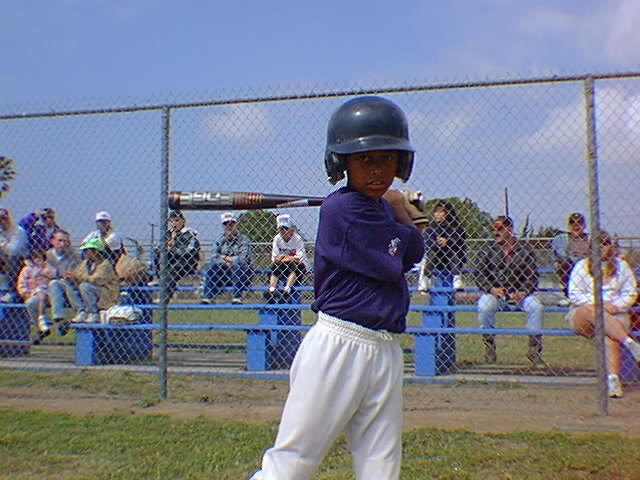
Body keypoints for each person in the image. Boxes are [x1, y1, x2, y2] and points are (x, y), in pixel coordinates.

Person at [249, 96, 425, 480]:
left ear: (401, 162)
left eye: (387, 158)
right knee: (294, 461)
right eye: (364, 159)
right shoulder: (341, 209)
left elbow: (414, 249)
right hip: (339, 345)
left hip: (384, 346)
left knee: (380, 465)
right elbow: (400, 255)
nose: (377, 169)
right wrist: (400, 211)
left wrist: (394, 209)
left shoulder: (378, 207)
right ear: (341, 163)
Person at [566, 231, 640, 398]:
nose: (601, 247)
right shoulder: (582, 266)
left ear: (610, 246)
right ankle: (629, 343)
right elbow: (574, 294)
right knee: (592, 310)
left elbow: (630, 293)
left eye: (605, 243)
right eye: (597, 243)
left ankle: (613, 381)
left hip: (615, 314)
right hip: (584, 313)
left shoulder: (621, 266)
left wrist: (616, 306)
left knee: (609, 336)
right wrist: (599, 304)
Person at [474, 215, 544, 364]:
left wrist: (524, 291)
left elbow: (532, 276)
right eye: (494, 229)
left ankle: (534, 349)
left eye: (500, 228)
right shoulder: (487, 249)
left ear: (510, 230)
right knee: (484, 306)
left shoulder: (524, 249)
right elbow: (478, 274)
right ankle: (489, 345)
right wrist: (491, 289)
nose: (496, 232)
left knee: (536, 307)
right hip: (497, 295)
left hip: (520, 294)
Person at [200, 212, 252, 305]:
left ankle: (237, 297)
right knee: (212, 266)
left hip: (242, 275)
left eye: (232, 224)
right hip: (224, 274)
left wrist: (224, 258)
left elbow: (243, 259)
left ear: (236, 225)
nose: (229, 226)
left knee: (237, 265)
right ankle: (207, 297)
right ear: (223, 226)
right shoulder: (219, 240)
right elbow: (213, 257)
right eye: (226, 224)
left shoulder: (244, 239)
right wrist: (226, 261)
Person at [65, 238, 119, 324]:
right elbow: (77, 273)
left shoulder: (105, 265)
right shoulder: (85, 263)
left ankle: (93, 313)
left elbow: (95, 279)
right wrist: (70, 276)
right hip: (89, 291)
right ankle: (81, 311)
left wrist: (77, 277)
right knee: (66, 283)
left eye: (87, 250)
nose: (84, 253)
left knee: (85, 286)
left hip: (105, 293)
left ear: (95, 251)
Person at [151, 209, 200, 302]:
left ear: (183, 221)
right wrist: (164, 247)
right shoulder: (168, 234)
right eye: (171, 221)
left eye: (177, 220)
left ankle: (164, 298)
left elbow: (189, 252)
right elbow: (159, 248)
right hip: (171, 262)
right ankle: (160, 279)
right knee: (157, 255)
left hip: (186, 263)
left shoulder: (188, 234)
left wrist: (171, 248)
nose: (174, 224)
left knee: (171, 271)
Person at [419, 200, 467, 293]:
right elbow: (428, 243)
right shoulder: (431, 228)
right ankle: (425, 279)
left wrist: (447, 242)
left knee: (454, 252)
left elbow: (460, 242)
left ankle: (457, 279)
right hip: (437, 259)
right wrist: (438, 243)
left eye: (441, 212)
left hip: (452, 260)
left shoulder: (456, 228)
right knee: (430, 254)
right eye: (436, 212)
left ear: (447, 214)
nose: (437, 214)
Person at [264, 214, 311, 302]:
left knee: (294, 266)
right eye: (281, 229)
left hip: (299, 265)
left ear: (291, 230)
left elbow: (299, 258)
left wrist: (284, 257)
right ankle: (272, 290)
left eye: (286, 228)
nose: (283, 231)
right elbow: (275, 258)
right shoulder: (277, 239)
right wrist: (287, 258)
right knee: (275, 267)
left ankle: (287, 289)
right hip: (283, 264)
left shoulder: (297, 239)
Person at [16, 249, 57, 344]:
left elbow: (54, 274)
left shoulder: (47, 267)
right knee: (31, 303)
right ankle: (40, 327)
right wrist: (25, 292)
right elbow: (21, 283)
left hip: (47, 292)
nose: (38, 261)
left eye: (41, 259)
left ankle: (42, 319)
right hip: (32, 293)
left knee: (41, 295)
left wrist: (44, 269)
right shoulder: (27, 269)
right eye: (36, 259)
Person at [47, 230, 82, 336]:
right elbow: (46, 273)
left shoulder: (74, 256)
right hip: (51, 291)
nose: (63, 244)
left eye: (66, 241)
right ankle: (59, 318)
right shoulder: (47, 256)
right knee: (54, 283)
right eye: (60, 240)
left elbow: (78, 272)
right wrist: (59, 273)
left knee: (61, 282)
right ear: (52, 241)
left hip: (70, 287)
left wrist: (72, 275)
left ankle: (77, 312)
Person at [551, 212, 590, 306]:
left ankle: (586, 295)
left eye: (579, 223)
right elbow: (559, 256)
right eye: (572, 223)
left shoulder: (590, 239)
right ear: (568, 226)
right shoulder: (561, 239)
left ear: (584, 225)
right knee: (564, 263)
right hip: (569, 267)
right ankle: (569, 296)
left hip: (587, 266)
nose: (576, 226)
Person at [0, 208, 29, 302]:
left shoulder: (18, 231)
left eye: (4, 218)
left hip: (20, 261)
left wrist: (1, 242)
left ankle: (11, 291)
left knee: (12, 259)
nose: (2, 221)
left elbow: (14, 251)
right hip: (3, 260)